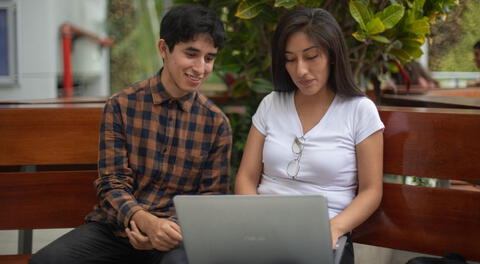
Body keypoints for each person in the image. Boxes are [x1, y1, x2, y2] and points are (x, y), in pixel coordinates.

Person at [30, 4, 232, 264]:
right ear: (164, 49)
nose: (200, 67)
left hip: (176, 237)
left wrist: (165, 230)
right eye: (191, 54)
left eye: (209, 58)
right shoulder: (122, 105)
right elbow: (112, 183)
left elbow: (211, 200)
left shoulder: (215, 123)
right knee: (47, 261)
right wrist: (145, 222)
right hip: (116, 229)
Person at [234, 7, 384, 264]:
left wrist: (334, 228)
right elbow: (246, 178)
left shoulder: (359, 110)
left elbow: (371, 191)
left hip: (324, 236)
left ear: (332, 55)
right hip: (263, 233)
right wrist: (258, 223)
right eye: (290, 59)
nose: (300, 70)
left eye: (311, 56)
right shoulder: (271, 104)